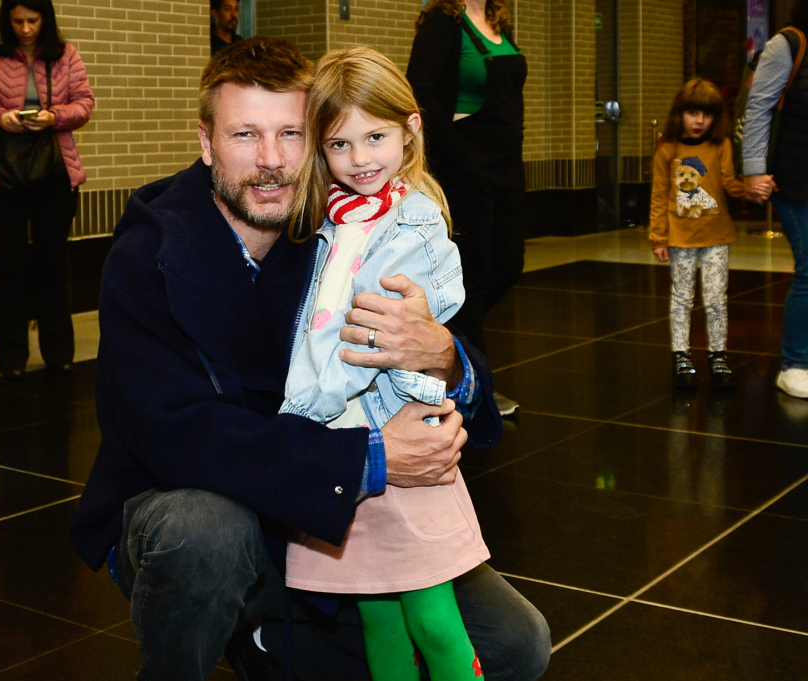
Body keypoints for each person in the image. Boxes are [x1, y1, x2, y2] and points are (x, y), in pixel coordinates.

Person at [69, 37, 549, 681]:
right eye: (245, 135)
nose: (270, 162)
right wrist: (371, 459)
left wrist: (446, 358)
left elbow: (464, 365)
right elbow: (177, 434)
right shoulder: (149, 255)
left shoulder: (349, 229)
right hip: (208, 504)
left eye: (291, 134)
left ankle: (270, 634)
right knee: (204, 536)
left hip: (330, 513)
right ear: (207, 144)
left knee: (516, 645)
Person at [282, 47, 491, 681]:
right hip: (347, 443)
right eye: (340, 145)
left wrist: (306, 408)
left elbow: (374, 337)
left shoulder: (413, 223)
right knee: (378, 617)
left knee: (432, 619)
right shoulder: (335, 220)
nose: (361, 159)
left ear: (411, 129)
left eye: (376, 136)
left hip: (390, 429)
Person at [0, 0, 94, 379]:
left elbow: (85, 104)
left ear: (45, 19)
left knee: (53, 265)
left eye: (32, 20)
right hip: (3, 175)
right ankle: (12, 359)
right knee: (8, 267)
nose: (24, 29)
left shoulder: (66, 56)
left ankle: (58, 353)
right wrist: (1, 118)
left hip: (55, 170)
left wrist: (55, 116)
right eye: (17, 21)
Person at [406, 0, 526, 417]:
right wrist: (461, 158)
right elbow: (419, 93)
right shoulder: (443, 23)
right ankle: (477, 388)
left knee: (508, 265)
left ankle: (443, 336)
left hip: (507, 164)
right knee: (473, 278)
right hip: (466, 167)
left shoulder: (497, 21)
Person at [649, 79, 745, 390]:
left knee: (717, 298)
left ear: (717, 118)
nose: (699, 121)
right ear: (680, 114)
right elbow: (660, 196)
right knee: (681, 298)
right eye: (692, 113)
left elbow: (730, 183)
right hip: (680, 236)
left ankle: (718, 356)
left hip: (716, 234)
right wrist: (658, 236)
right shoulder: (667, 150)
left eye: (706, 114)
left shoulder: (722, 146)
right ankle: (682, 356)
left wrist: (754, 188)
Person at [743, 3, 808, 399]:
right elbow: (758, 108)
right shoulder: (788, 44)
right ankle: (795, 364)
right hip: (795, 179)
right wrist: (752, 170)